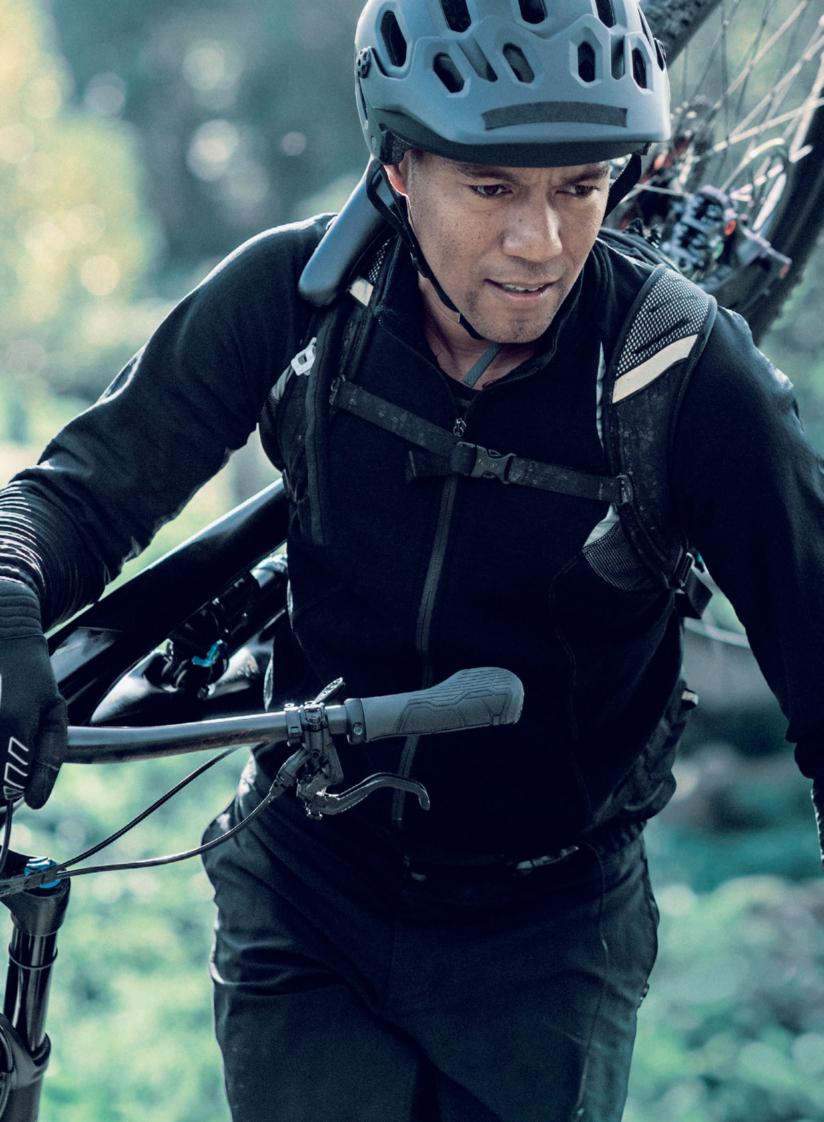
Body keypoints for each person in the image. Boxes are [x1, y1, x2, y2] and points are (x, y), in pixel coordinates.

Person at [0, 1, 822, 1119]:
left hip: (547, 934)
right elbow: (81, 492)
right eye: (491, 188)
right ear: (396, 169)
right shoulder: (297, 299)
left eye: (580, 186)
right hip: (306, 883)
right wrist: (11, 601)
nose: (541, 242)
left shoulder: (679, 371)